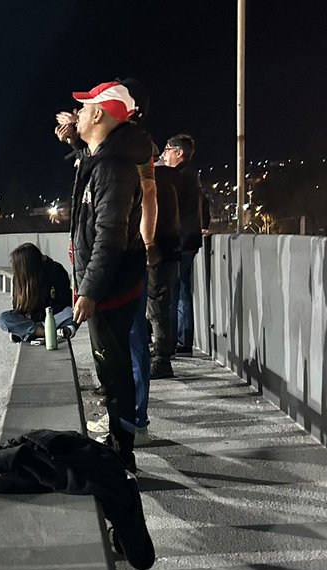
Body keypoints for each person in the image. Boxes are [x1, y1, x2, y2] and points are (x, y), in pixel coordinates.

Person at [65, 81, 156, 470]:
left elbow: (110, 236)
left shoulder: (113, 167)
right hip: (110, 286)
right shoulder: (105, 159)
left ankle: (122, 457)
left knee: (115, 374)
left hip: (110, 289)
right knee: (112, 372)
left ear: (100, 115)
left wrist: (89, 289)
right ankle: (120, 446)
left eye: (85, 109)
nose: (79, 115)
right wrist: (75, 141)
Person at [162, 134, 203, 355]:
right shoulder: (191, 174)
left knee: (172, 293)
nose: (164, 154)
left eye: (167, 149)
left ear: (179, 152)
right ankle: (184, 342)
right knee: (184, 293)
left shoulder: (180, 175)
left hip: (180, 241)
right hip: (190, 240)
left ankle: (170, 343)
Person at [0, 243, 75, 342]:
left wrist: (39, 317)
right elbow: (17, 306)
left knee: (70, 313)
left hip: (52, 316)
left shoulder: (55, 270)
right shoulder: (19, 277)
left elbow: (64, 301)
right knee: (2, 318)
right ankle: (43, 332)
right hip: (33, 320)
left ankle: (28, 332)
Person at [147, 160, 182, 380]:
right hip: (170, 249)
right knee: (162, 304)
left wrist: (149, 245)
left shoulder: (153, 183)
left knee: (157, 306)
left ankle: (162, 359)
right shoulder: (169, 181)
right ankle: (161, 355)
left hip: (156, 252)